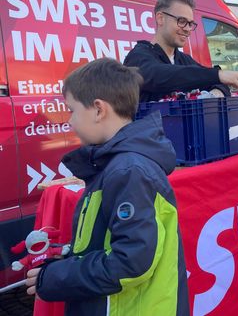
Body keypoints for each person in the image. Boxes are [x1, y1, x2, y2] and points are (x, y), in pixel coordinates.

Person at [25, 58, 189, 316]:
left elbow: (133, 261)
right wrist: (70, 257)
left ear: (99, 109)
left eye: (71, 110)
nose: (69, 122)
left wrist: (58, 278)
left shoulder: (128, 171)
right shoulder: (114, 165)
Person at [124, 0, 238, 102]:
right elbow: (158, 76)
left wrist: (214, 94)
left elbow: (216, 82)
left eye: (190, 24)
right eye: (182, 21)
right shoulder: (138, 56)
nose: (188, 29)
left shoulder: (184, 60)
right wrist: (218, 74)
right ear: (160, 19)